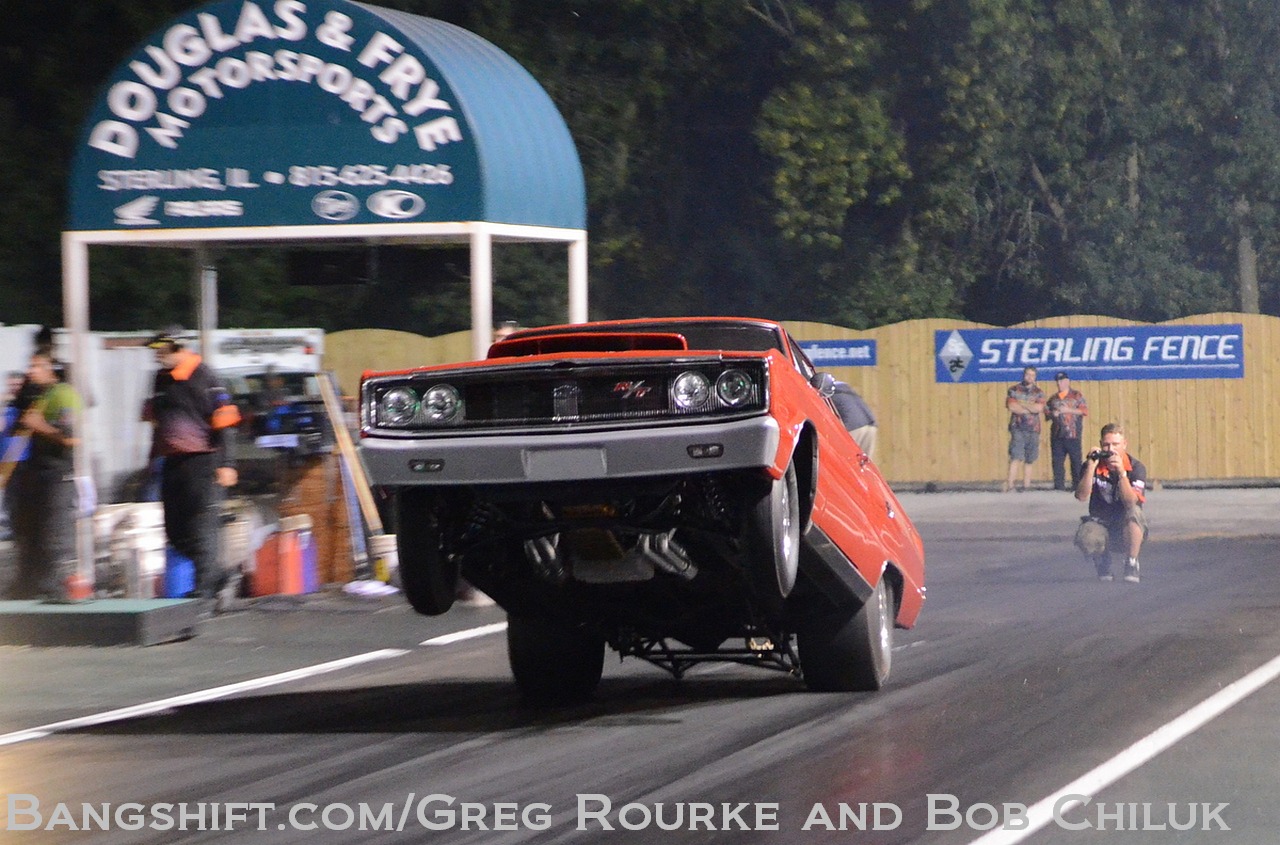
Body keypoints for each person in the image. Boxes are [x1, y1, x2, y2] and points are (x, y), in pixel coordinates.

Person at [142, 326, 242, 604]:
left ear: (176, 347)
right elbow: (157, 425)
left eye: (160, 351)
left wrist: (228, 464)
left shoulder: (205, 376)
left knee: (201, 529)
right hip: (172, 464)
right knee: (174, 532)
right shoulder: (160, 379)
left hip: (203, 462)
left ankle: (204, 595)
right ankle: (219, 576)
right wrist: (150, 462)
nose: (157, 357)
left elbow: (226, 423)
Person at [4, 350, 81, 600]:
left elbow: (72, 437)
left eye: (37, 366)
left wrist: (40, 426)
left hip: (57, 475)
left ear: (52, 370)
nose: (31, 372)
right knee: (30, 535)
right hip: (37, 475)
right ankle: (27, 587)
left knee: (53, 536)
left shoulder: (64, 394)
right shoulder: (39, 396)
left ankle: (54, 589)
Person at [1074, 422, 1148, 583]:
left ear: (1124, 445)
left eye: (1116, 444)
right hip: (1102, 522)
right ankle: (1102, 561)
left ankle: (1131, 562)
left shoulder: (1136, 468)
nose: (1111, 449)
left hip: (1125, 524)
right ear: (1101, 445)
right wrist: (1091, 468)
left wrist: (1122, 474)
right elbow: (1081, 496)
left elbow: (1130, 502)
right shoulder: (1092, 465)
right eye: (1106, 445)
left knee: (1135, 513)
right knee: (1086, 535)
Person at [1004, 366, 1045, 492]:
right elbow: (1012, 406)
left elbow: (1039, 408)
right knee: (1016, 457)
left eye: (1032, 375)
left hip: (1033, 428)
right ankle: (1010, 485)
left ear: (1035, 377)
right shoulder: (1014, 390)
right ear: (1024, 375)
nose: (1030, 377)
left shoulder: (1039, 392)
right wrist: (1030, 407)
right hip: (1018, 427)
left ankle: (1026, 486)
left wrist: (1021, 405)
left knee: (1030, 459)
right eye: (1028, 374)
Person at [1045, 371, 1088, 491]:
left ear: (1068, 382)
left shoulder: (1076, 396)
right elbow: (1047, 413)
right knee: (1057, 461)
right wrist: (1053, 414)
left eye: (1062, 381)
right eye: (1058, 381)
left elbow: (1084, 411)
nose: (1060, 384)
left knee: (1075, 461)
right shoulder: (1053, 399)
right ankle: (1059, 485)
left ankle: (1077, 485)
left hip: (1073, 434)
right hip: (1057, 434)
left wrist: (1067, 410)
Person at [830, 380, 878, 459]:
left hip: (852, 426)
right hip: (870, 424)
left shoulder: (826, 392)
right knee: (864, 465)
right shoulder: (846, 391)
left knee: (845, 461)